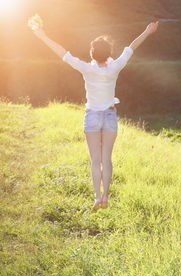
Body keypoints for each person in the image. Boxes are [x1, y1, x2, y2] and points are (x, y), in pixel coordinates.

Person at [31, 21, 159, 211]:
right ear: (108, 53)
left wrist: (41, 35)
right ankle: (106, 196)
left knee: (95, 160)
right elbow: (131, 47)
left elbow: (62, 53)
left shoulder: (86, 68)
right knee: (106, 158)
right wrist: (147, 31)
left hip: (92, 117)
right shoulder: (115, 66)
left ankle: (97, 198)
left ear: (92, 53)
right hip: (109, 116)